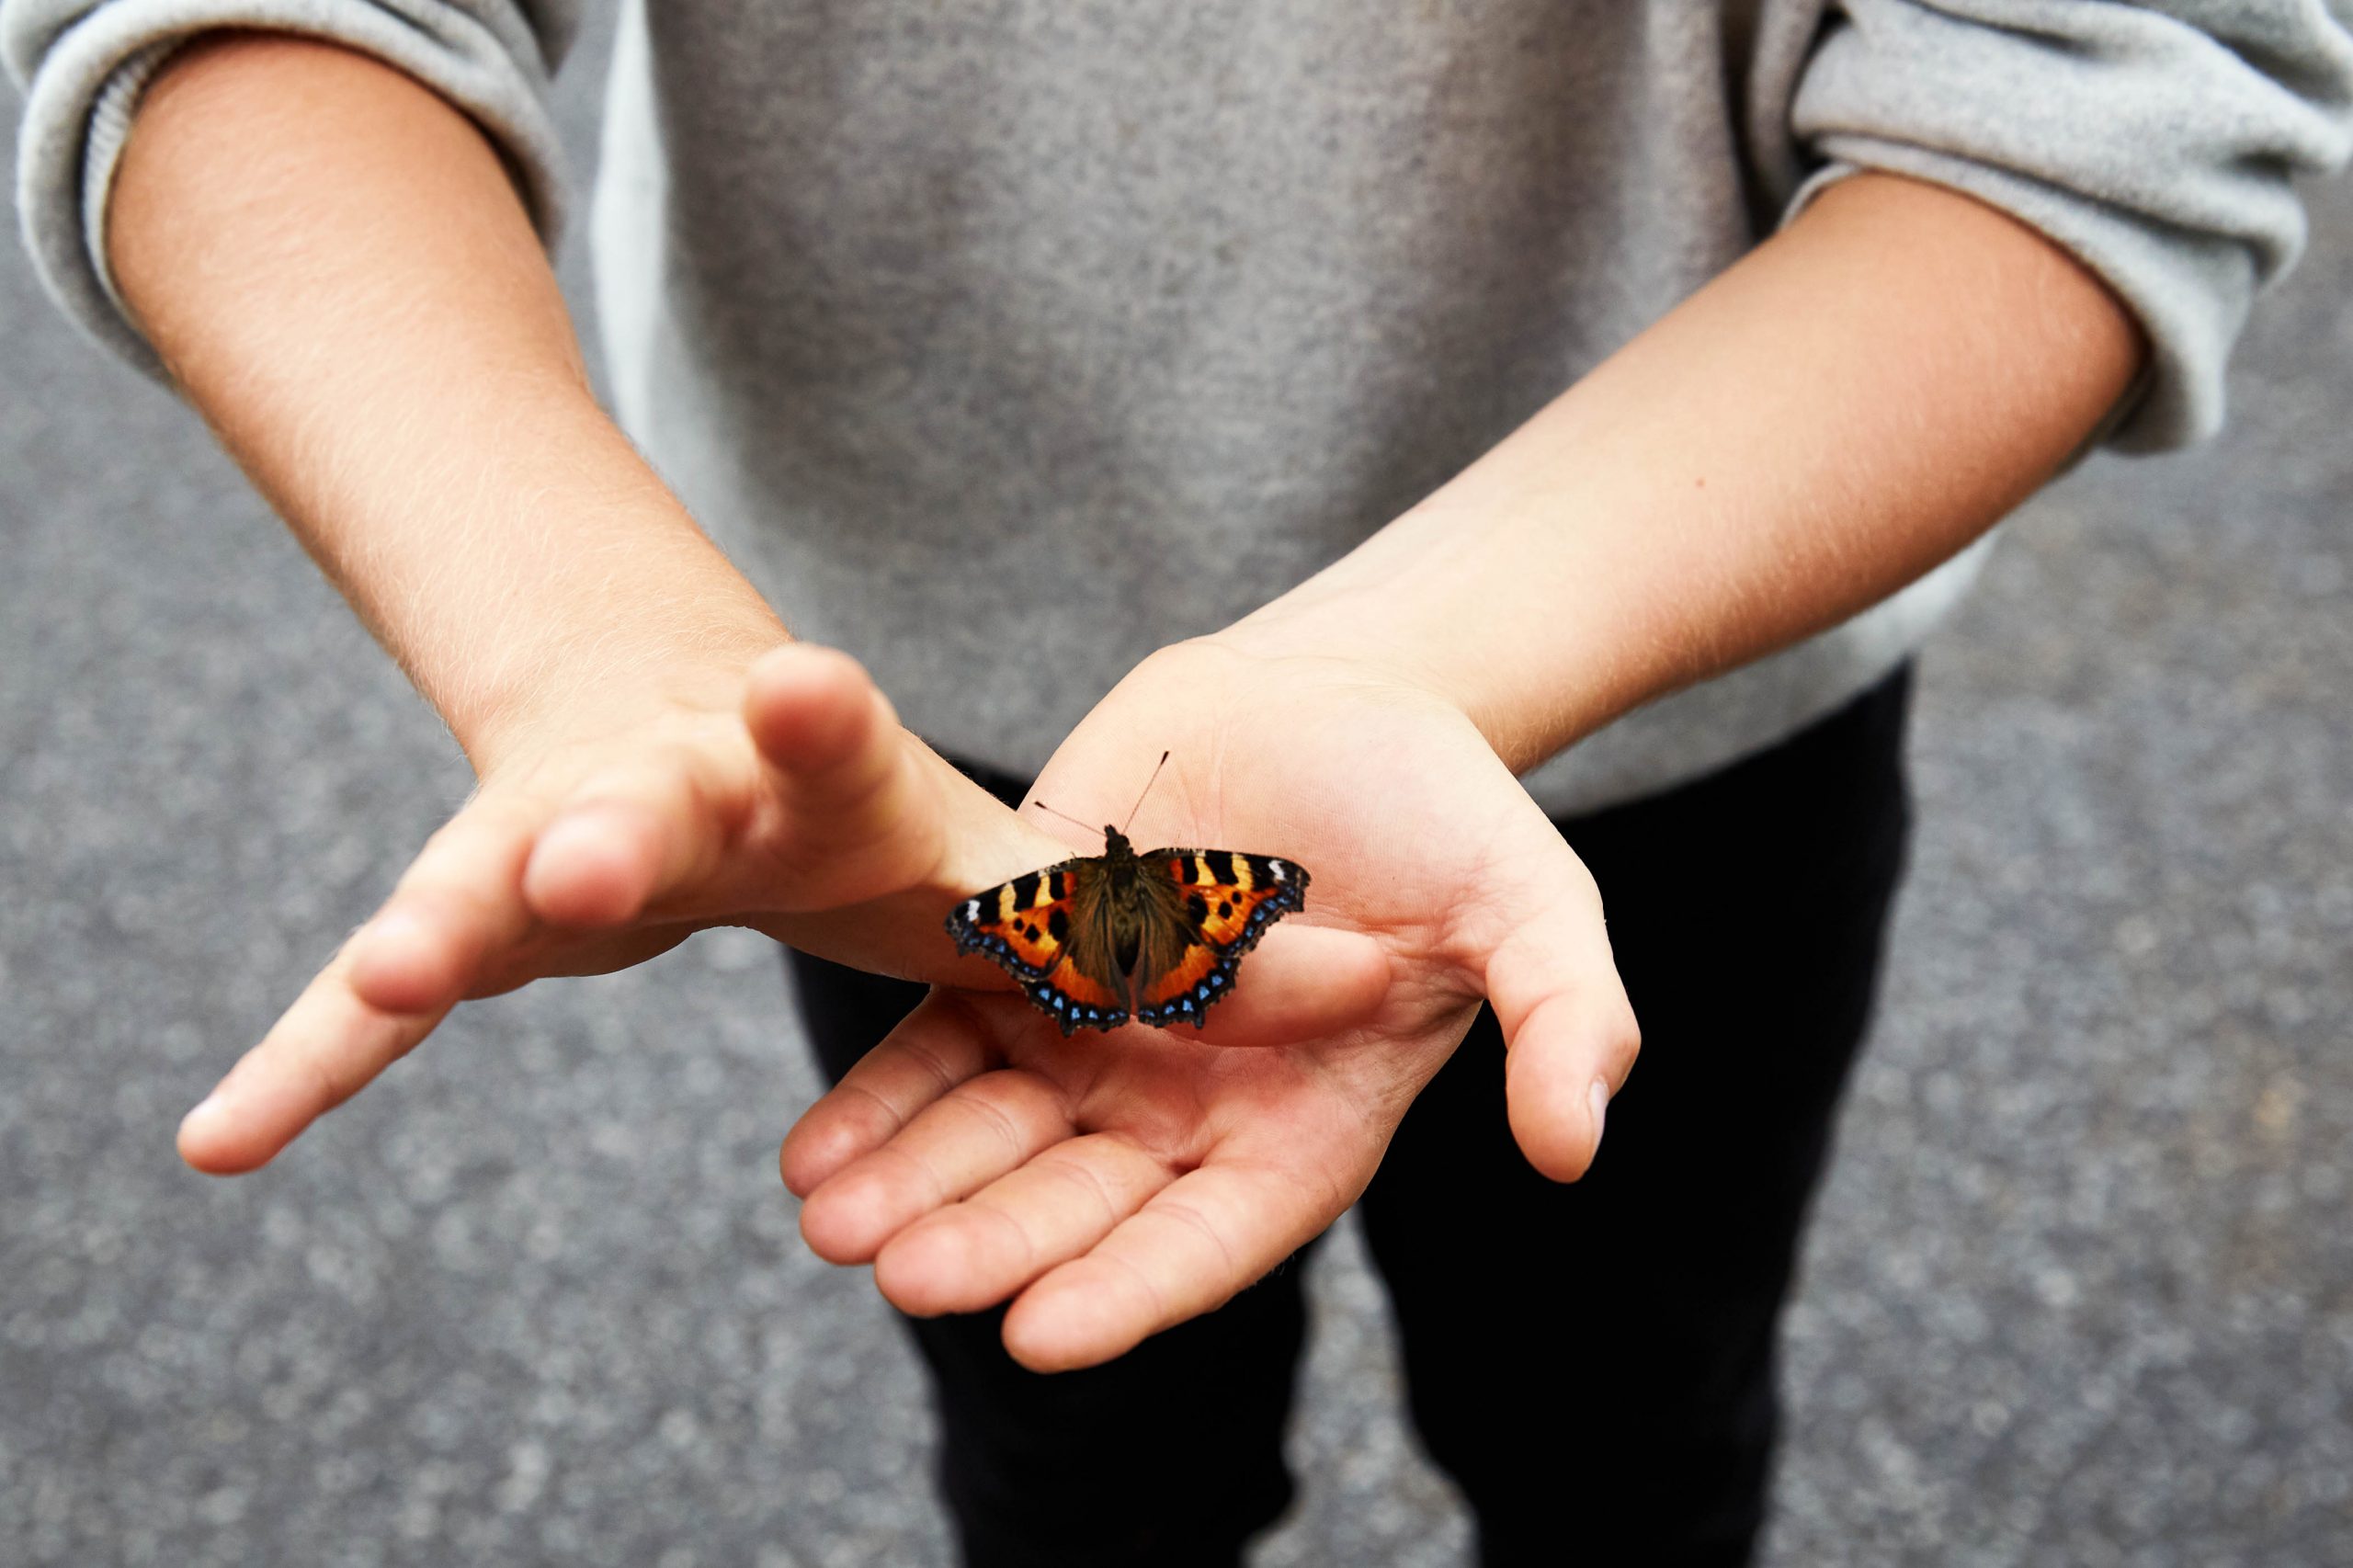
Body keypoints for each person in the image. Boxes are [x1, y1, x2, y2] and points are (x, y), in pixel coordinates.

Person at [10, 3, 2348, 1563]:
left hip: (1687, 696)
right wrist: (595, 645)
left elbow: (2109, 72)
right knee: (1071, 1430)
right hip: (899, 788)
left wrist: (1398, 660)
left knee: (1622, 1407)